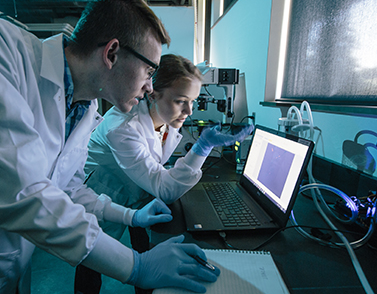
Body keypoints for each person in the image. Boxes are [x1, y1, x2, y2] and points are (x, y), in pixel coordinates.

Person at [0, 0, 221, 293]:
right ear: (112, 53)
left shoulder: (84, 107)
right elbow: (23, 193)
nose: (150, 88)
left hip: (14, 263)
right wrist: (136, 266)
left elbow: (70, 190)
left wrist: (132, 217)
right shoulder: (7, 53)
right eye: (149, 72)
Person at [75, 53, 254, 292]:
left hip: (137, 190)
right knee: (95, 255)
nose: (189, 111)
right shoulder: (122, 127)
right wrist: (202, 147)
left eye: (193, 101)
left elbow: (154, 165)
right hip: (104, 191)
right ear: (152, 93)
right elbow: (164, 188)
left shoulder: (165, 117)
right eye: (181, 101)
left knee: (144, 249)